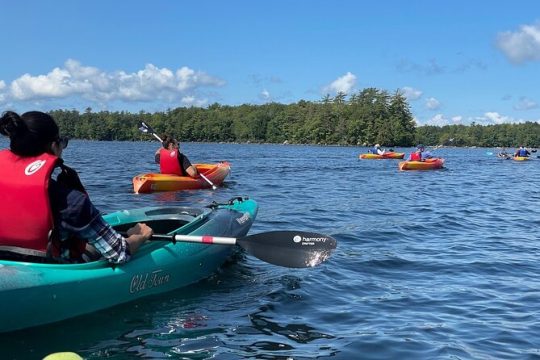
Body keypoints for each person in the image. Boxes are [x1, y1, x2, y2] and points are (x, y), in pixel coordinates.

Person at [0, 111, 153, 264]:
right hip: (49, 272)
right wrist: (139, 236)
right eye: (62, 142)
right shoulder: (70, 202)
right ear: (54, 146)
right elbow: (119, 253)